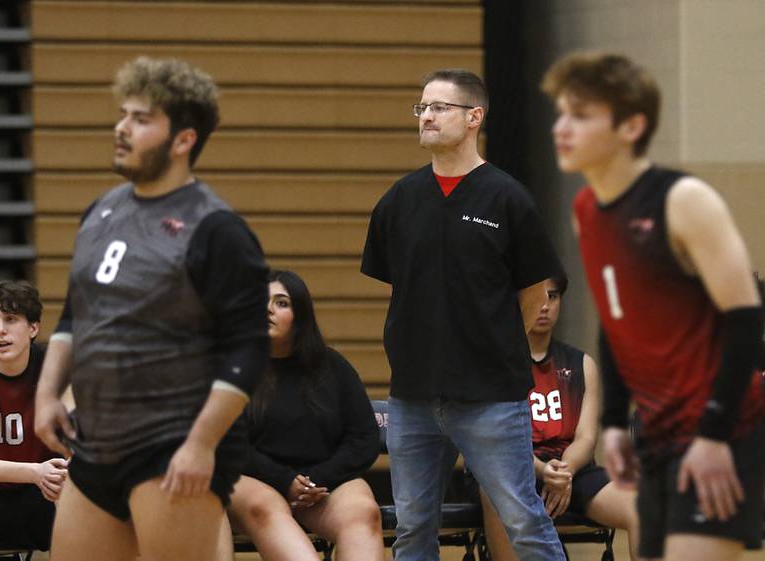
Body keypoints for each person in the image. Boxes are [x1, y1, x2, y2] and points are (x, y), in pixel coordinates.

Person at [33, 56, 270, 561]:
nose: (121, 128)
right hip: (96, 441)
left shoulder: (217, 229)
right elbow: (76, 313)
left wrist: (202, 444)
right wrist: (48, 392)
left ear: (183, 140)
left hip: (173, 443)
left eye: (140, 119)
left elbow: (247, 351)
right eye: (123, 114)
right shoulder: (100, 210)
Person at [542, 51, 764, 561]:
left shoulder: (685, 200)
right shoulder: (587, 211)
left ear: (631, 126)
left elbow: (746, 322)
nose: (561, 128)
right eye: (560, 113)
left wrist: (713, 435)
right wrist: (617, 422)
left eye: (580, 115)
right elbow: (618, 325)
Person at [361, 68, 566, 561]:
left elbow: (536, 289)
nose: (426, 116)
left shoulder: (507, 197)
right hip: (411, 397)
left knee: (523, 519)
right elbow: (404, 288)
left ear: (474, 117)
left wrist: (493, 345)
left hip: (490, 397)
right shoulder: (399, 200)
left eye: (439, 108)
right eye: (422, 107)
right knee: (413, 528)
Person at [480, 274, 639, 560]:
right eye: (536, 297)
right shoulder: (495, 364)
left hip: (571, 471)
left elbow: (587, 438)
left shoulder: (581, 364)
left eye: (552, 297)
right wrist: (544, 471)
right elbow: (495, 441)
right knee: (494, 485)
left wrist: (562, 472)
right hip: (513, 469)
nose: (544, 305)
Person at [228, 269, 383, 561]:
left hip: (320, 483)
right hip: (252, 481)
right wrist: (284, 480)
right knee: (268, 506)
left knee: (363, 512)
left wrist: (314, 481)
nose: (267, 310)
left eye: (281, 303)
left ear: (301, 316)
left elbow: (363, 437)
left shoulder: (333, 366)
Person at [0, 280, 68, 560]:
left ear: (33, 328)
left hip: (42, 495)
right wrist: (34, 471)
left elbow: (81, 441)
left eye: (10, 319)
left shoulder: (54, 368)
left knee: (79, 480)